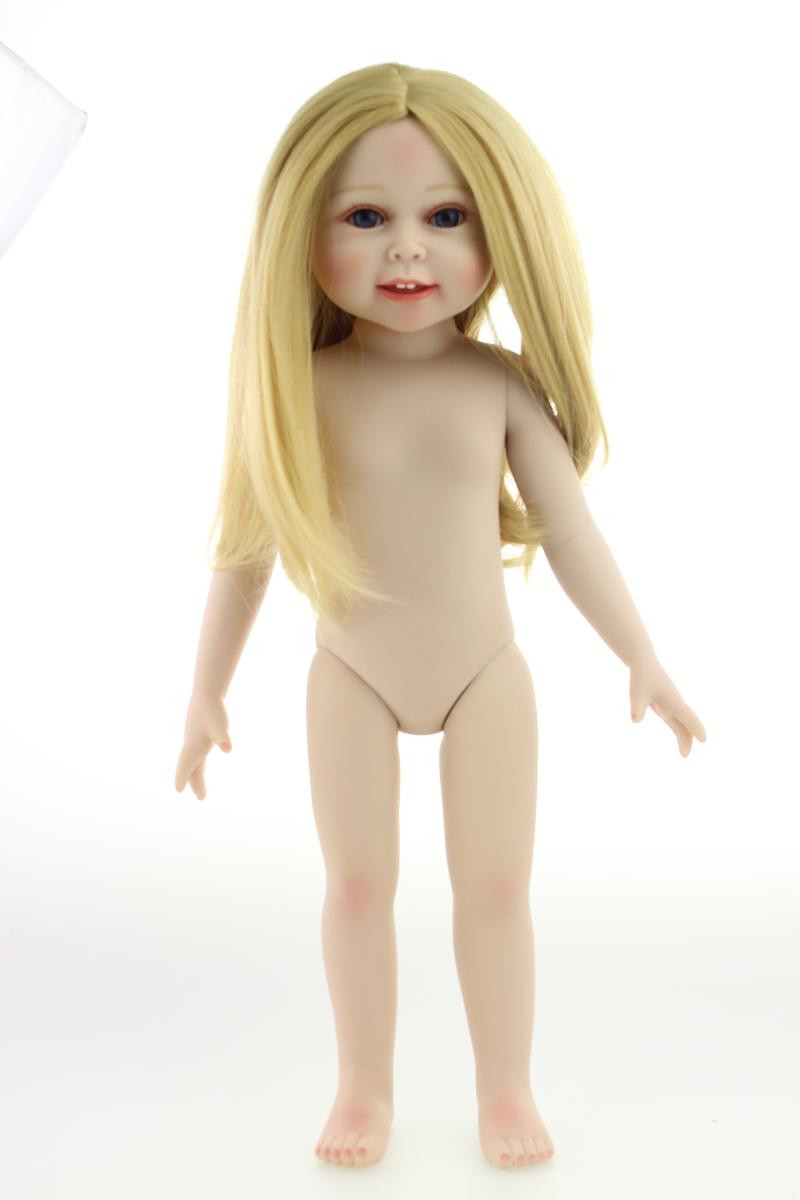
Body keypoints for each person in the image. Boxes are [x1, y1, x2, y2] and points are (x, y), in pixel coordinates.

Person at [175, 62, 707, 1170]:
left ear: (502, 228)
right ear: (301, 232)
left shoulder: (497, 383)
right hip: (351, 673)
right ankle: (362, 1086)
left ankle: (504, 1087)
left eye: (446, 218)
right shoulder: (301, 387)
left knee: (497, 890)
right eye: (366, 218)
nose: (407, 251)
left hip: (483, 675)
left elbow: (570, 532)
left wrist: (641, 654)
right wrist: (204, 691)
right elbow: (244, 552)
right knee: (356, 888)